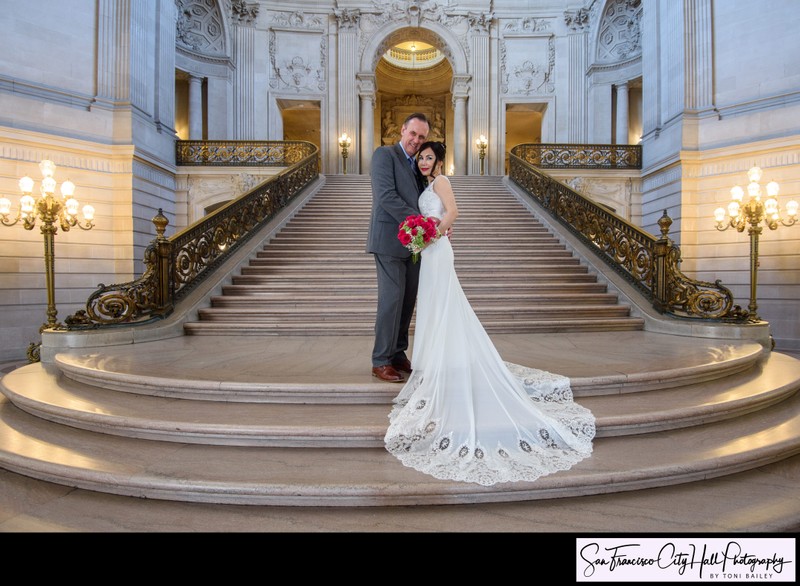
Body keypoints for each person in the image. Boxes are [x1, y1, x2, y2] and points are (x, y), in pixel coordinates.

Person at [384, 141, 596, 486]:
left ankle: (441, 359)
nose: (423, 162)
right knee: (434, 303)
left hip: (437, 249)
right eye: (421, 157)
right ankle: (434, 358)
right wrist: (425, 235)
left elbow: (453, 212)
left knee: (443, 302)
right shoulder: (425, 185)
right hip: (432, 250)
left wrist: (429, 235)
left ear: (439, 160)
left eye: (429, 157)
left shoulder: (441, 182)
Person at [367, 112, 430, 383]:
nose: (416, 140)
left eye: (422, 137)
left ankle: (397, 353)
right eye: (413, 133)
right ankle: (380, 360)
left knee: (407, 301)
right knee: (392, 300)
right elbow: (386, 196)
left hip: (413, 244)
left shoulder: (417, 166)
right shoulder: (384, 155)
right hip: (389, 239)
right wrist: (422, 222)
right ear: (403, 130)